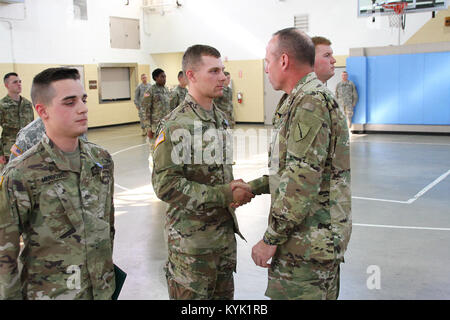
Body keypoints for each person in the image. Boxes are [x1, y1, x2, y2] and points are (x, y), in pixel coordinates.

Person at [248, 28, 352, 300]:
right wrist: (254, 187)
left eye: (267, 62)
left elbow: (300, 183)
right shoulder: (299, 99)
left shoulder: (309, 102)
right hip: (307, 242)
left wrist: (270, 239)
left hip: (307, 247)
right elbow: (291, 168)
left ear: (283, 61)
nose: (266, 69)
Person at [0, 67, 116, 300]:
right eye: (69, 102)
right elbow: (5, 253)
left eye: (83, 99)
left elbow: (108, 226)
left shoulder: (101, 160)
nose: (83, 108)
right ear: (43, 111)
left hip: (102, 290)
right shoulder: (21, 173)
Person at [151, 44, 254, 300]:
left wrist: (232, 187)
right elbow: (166, 185)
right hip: (192, 249)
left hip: (222, 241)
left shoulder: (219, 118)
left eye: (223, 70)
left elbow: (218, 173)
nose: (222, 77)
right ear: (192, 76)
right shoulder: (176, 124)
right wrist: (223, 194)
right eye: (214, 71)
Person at [9, 117, 88, 161]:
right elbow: (12, 174)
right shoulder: (29, 134)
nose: (82, 108)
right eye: (69, 102)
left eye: (83, 101)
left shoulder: (77, 127)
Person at [0, 72, 34, 167]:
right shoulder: (2, 105)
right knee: (7, 179)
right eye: (15, 82)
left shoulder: (27, 104)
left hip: (27, 149)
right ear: (7, 85)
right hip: (9, 151)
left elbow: (32, 127)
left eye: (20, 81)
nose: (19, 84)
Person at [141, 68, 170, 141]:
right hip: (155, 127)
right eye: (162, 77)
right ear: (156, 78)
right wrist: (148, 129)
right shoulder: (150, 91)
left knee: (164, 149)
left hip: (166, 126)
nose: (164, 79)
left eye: (165, 76)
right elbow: (145, 110)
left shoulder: (166, 90)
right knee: (154, 150)